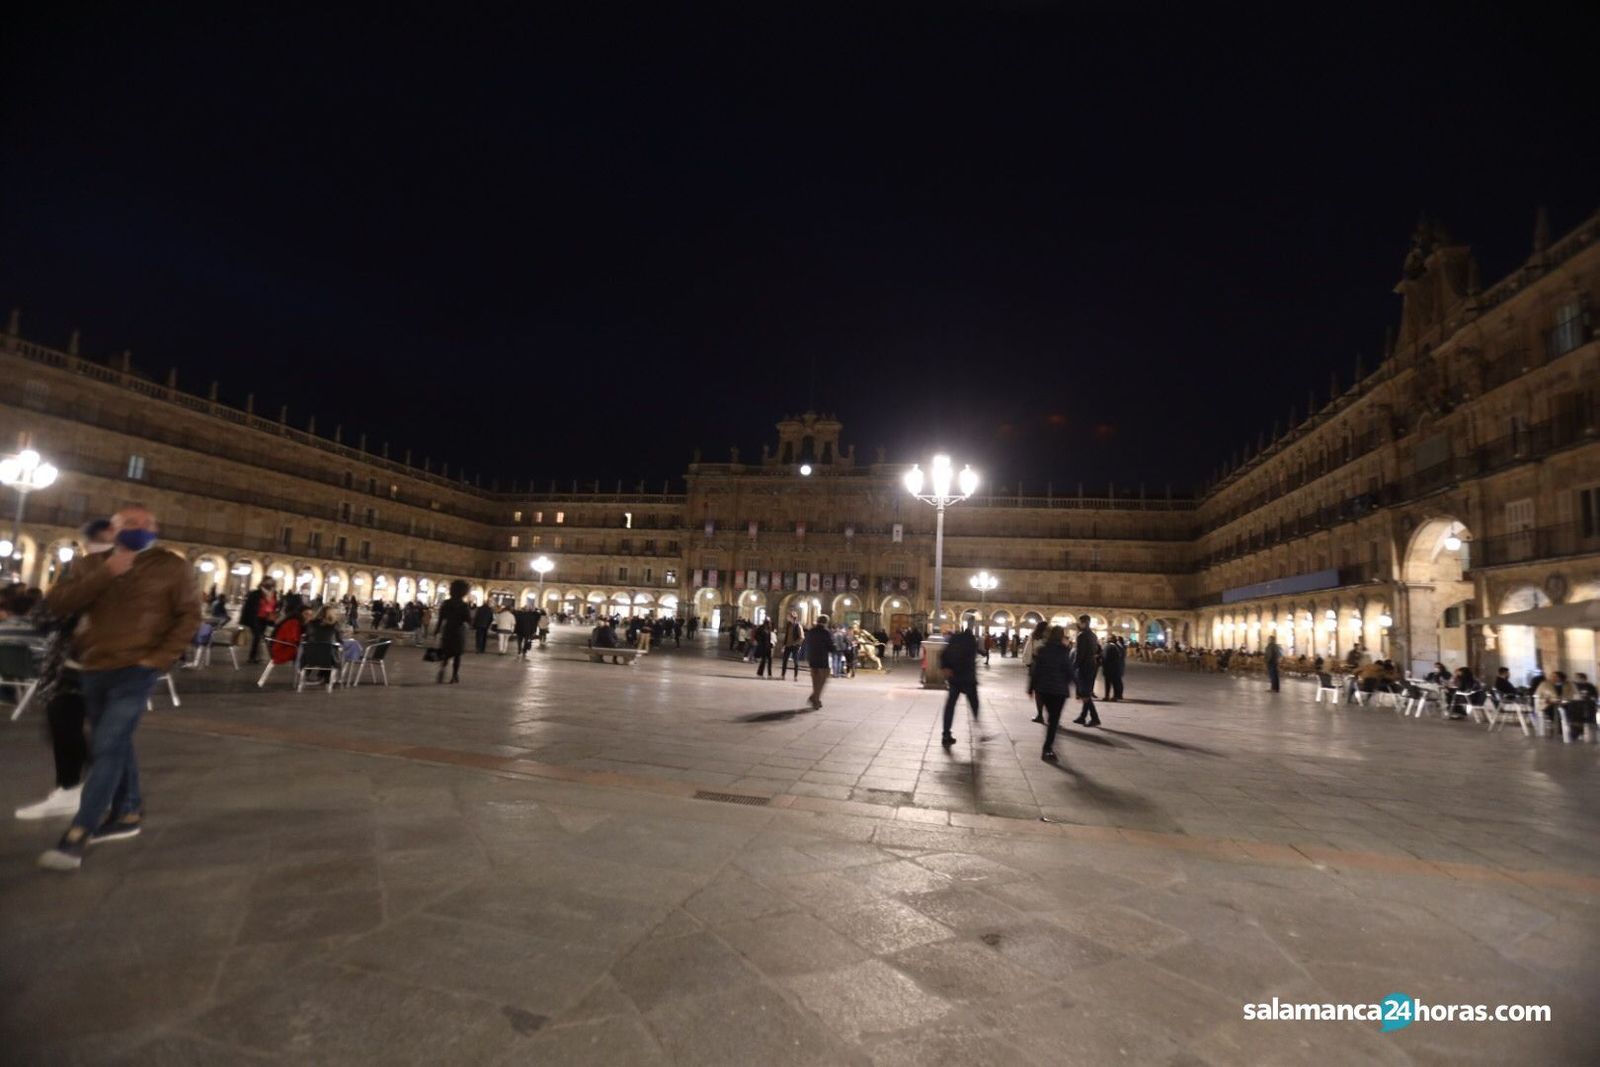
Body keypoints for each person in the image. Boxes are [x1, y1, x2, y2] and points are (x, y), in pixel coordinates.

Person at [38, 505, 200, 871]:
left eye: (146, 523)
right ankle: (128, 812)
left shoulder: (172, 566)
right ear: (112, 530)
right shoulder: (90, 565)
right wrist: (106, 573)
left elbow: (190, 614)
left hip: (137, 669)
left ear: (155, 528)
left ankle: (79, 833)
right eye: (129, 523)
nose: (139, 527)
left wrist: (159, 658)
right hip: (94, 667)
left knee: (107, 744)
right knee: (115, 740)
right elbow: (58, 603)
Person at [14, 520, 118, 821]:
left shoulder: (130, 581)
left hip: (109, 668)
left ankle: (101, 790)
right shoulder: (78, 578)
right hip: (72, 667)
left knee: (96, 733)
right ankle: (71, 790)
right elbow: (42, 617)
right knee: (62, 725)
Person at [1028, 625, 1073, 761]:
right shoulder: (1064, 650)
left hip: (1044, 689)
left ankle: (1048, 746)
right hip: (1059, 690)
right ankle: (1047, 748)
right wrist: (1079, 688)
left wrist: (1031, 688)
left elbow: (1036, 671)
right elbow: (1069, 670)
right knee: (1054, 720)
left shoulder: (1042, 650)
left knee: (1051, 716)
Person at [939, 622, 980, 746]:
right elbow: (971, 660)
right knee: (974, 703)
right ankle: (979, 727)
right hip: (968, 679)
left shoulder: (954, 640)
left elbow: (943, 654)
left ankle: (946, 734)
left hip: (954, 678)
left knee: (950, 706)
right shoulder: (971, 641)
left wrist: (946, 667)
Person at [432, 579, 472, 683]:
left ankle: (442, 668)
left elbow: (441, 619)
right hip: (458, 631)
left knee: (446, 653)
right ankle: (454, 675)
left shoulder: (446, 603)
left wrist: (436, 630)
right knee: (457, 655)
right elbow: (468, 620)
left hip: (448, 630)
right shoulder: (464, 605)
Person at [1072, 616, 1103, 727]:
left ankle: (1095, 718)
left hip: (1084, 667)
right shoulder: (1093, 635)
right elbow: (1095, 650)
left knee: (1084, 693)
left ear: (1084, 623)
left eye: (1079, 622)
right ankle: (1083, 716)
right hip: (1092, 666)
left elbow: (1080, 654)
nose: (1078, 625)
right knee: (1087, 692)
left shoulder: (1081, 636)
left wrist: (1073, 667)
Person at [241, 575, 278, 664]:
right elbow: (248, 607)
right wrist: (244, 620)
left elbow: (274, 606)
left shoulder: (273, 594)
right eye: (268, 582)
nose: (270, 584)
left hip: (266, 619)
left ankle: (258, 656)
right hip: (255, 618)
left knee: (261, 637)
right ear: (263, 582)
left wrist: (274, 613)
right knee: (257, 636)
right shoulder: (255, 593)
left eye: (271, 582)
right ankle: (253, 657)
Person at [1020, 620, 1051, 724]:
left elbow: (1028, 650)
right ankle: (1050, 715)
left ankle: (1040, 715)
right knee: (1048, 692)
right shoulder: (1051, 638)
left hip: (1037, 664)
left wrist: (1028, 662)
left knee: (1038, 691)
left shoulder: (1034, 636)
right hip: (1049, 666)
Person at [803, 613, 833, 709]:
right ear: (826, 622)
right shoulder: (825, 632)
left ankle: (815, 698)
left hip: (812, 657)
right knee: (822, 679)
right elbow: (830, 646)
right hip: (822, 658)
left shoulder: (811, 631)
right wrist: (836, 648)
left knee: (815, 679)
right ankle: (815, 699)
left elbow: (806, 643)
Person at [779, 612, 804, 680]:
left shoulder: (798, 626)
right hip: (787, 645)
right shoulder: (788, 625)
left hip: (795, 646)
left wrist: (795, 643)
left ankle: (795, 676)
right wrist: (784, 645)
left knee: (795, 661)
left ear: (792, 617)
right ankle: (783, 675)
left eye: (788, 617)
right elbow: (786, 636)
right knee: (784, 661)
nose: (787, 618)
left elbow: (801, 637)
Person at [1102, 634, 1126, 701]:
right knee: (1115, 682)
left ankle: (1107, 696)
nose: (1106, 639)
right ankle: (1115, 696)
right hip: (1115, 668)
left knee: (1108, 683)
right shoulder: (1118, 646)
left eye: (1107, 638)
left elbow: (1105, 657)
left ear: (1110, 639)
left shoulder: (1108, 646)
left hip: (1108, 667)